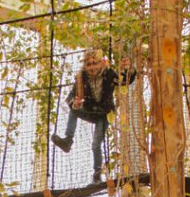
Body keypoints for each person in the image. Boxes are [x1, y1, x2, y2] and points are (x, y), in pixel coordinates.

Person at [51, 49, 137, 183]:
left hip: (105, 114)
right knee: (74, 111)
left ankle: (97, 176)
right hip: (91, 111)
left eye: (95, 63)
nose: (92, 67)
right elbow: (71, 97)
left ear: (101, 63)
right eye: (89, 65)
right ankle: (68, 140)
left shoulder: (108, 74)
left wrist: (128, 69)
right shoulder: (81, 78)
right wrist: (75, 103)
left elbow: (125, 81)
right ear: (84, 66)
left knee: (96, 144)